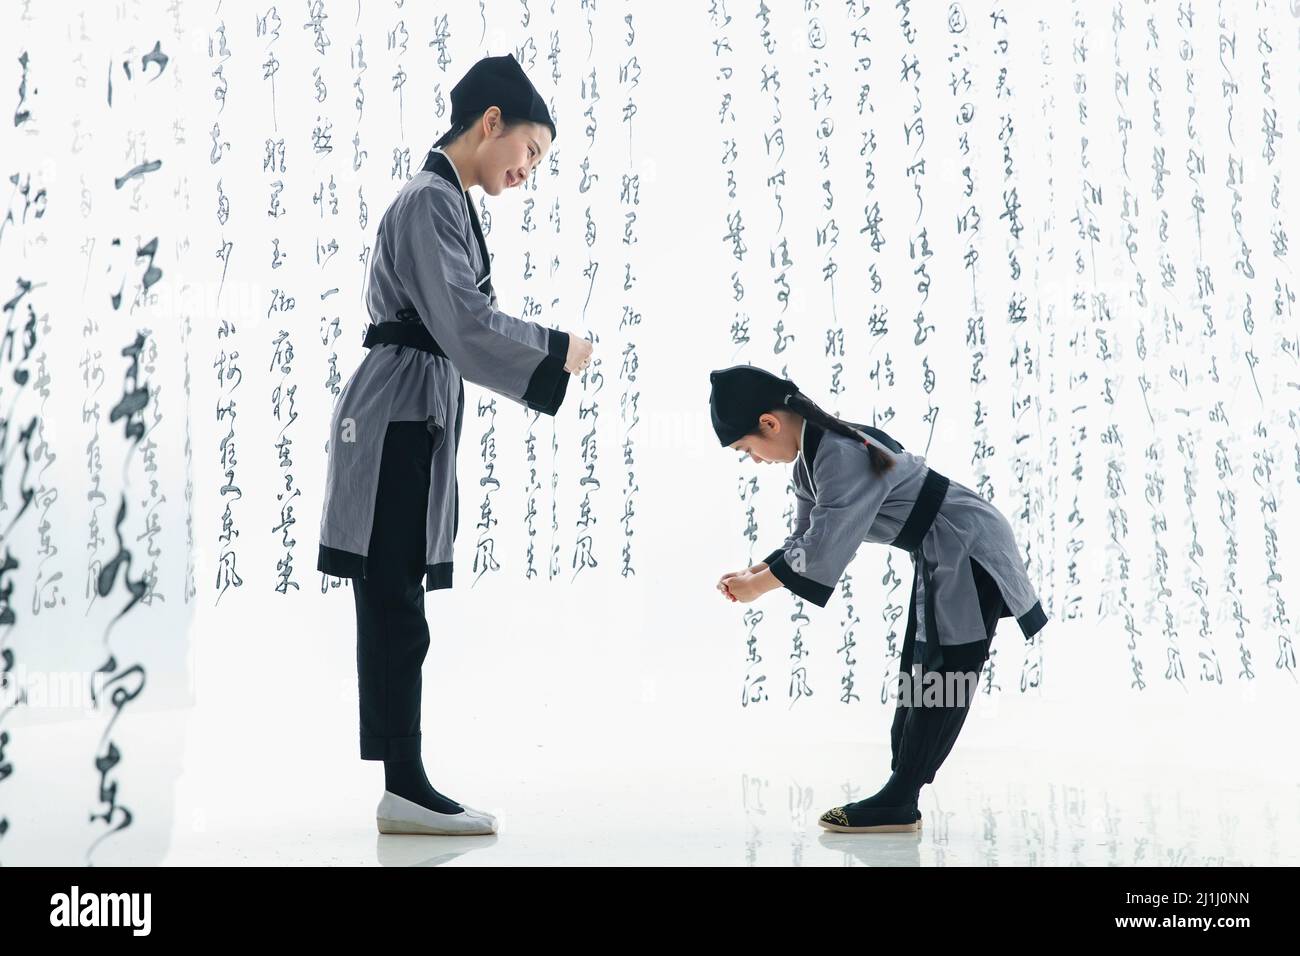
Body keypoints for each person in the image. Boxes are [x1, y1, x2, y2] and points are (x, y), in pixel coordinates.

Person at [317, 53, 594, 836]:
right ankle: (403, 785)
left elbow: (462, 324)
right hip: (397, 417)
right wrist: (553, 346)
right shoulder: (428, 202)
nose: (529, 171)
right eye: (531, 152)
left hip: (414, 413)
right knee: (394, 602)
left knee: (398, 595)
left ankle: (405, 782)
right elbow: (468, 327)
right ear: (491, 123)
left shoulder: (448, 202)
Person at [708, 364, 1048, 833]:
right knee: (919, 667)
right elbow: (805, 536)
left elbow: (826, 545)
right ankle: (899, 792)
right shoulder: (813, 457)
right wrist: (758, 571)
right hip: (940, 550)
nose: (755, 460)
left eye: (748, 449)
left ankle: (901, 799)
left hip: (964, 544)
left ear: (769, 423)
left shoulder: (838, 453)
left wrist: (759, 587)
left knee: (944, 670)